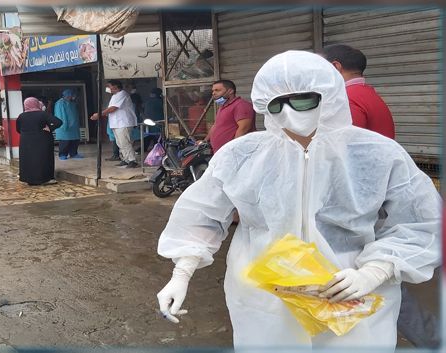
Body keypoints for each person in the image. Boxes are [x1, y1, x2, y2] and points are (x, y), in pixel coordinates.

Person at [156, 51, 440, 350]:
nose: (290, 114)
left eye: (303, 100)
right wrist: (182, 273)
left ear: (328, 94)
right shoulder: (242, 154)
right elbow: (202, 214)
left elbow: (422, 220)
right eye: (277, 105)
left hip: (349, 293)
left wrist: (376, 270)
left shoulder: (376, 153)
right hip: (264, 297)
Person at [324, 44, 437, 349]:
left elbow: (341, 156)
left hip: (360, 202)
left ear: (334, 68)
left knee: (376, 275)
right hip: (376, 196)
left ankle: (432, 338)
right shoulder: (371, 96)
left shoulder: (346, 103)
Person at [322, 44, 395, 139]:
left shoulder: (344, 98)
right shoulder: (368, 93)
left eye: (320, 66)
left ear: (335, 67)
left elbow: (344, 143)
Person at [90, 80, 139, 168]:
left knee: (125, 142)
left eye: (109, 86)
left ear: (115, 86)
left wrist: (99, 114)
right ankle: (125, 159)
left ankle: (132, 160)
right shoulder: (115, 96)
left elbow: (113, 108)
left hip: (123, 122)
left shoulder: (122, 94)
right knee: (120, 143)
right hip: (117, 123)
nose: (107, 88)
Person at [16, 97, 63, 185]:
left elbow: (18, 129)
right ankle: (45, 179)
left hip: (26, 142)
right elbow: (58, 122)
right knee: (43, 159)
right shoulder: (42, 114)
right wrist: (50, 128)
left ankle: (27, 178)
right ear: (36, 103)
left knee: (28, 159)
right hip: (42, 141)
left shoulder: (21, 116)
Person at [203, 80, 256, 153]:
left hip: (234, 153)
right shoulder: (222, 107)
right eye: (213, 91)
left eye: (217, 90)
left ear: (230, 91)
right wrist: (205, 141)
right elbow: (215, 126)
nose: (213, 93)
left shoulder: (241, 105)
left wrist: (233, 149)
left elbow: (244, 128)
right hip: (220, 153)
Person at [54, 89, 83, 160]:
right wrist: (63, 124)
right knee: (65, 141)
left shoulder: (72, 103)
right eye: (71, 95)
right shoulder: (60, 103)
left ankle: (74, 153)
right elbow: (60, 115)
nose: (73, 97)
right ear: (67, 95)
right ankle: (63, 154)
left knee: (75, 140)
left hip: (74, 126)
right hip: (65, 125)